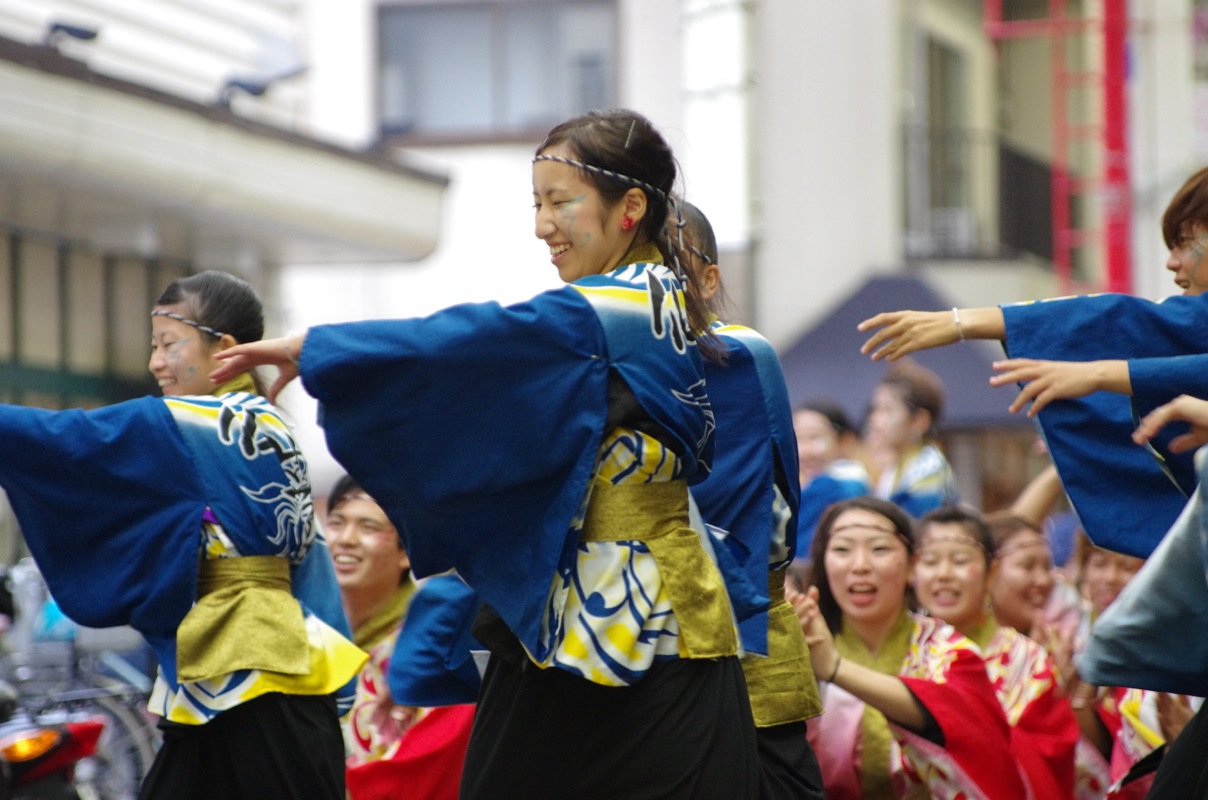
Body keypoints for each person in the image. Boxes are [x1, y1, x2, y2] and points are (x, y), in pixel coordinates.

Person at [210, 109, 760, 799]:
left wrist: (322, 349)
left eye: (561, 202)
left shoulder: (613, 309)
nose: (542, 226)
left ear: (632, 208)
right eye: (537, 203)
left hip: (626, 621)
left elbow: (478, 341)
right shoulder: (653, 303)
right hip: (634, 610)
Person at [0, 271, 365, 799]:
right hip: (260, 670)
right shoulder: (270, 425)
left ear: (227, 350)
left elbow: (70, 440)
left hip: (252, 678)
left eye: (170, 345)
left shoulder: (207, 424)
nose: (154, 363)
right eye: (154, 346)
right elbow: (310, 561)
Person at [857, 166, 1208, 557]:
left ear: (921, 419)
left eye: (1184, 242)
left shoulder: (923, 474)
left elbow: (1128, 322)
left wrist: (1096, 374)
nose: (1172, 262)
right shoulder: (879, 475)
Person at [678, 202, 825, 800]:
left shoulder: (738, 356)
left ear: (709, 279)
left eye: (668, 269)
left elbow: (749, 532)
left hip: (738, 632)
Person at [785, 496, 1025, 799]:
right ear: (824, 562)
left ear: (913, 565)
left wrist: (834, 668)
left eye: (880, 549)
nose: (860, 565)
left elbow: (973, 739)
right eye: (843, 549)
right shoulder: (800, 647)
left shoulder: (949, 651)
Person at [326, 474, 477, 800]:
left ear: (407, 551)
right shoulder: (312, 638)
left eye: (368, 527)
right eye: (336, 523)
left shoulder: (437, 649)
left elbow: (422, 776)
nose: (346, 539)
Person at [913, 505, 1080, 799]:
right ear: (911, 571)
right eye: (930, 561)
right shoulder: (906, 652)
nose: (944, 574)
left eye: (960, 560)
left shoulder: (1027, 659)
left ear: (991, 573)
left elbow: (1053, 753)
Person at [865, 360, 959, 518]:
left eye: (887, 410)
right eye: (875, 409)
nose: (874, 420)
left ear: (919, 421)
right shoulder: (895, 467)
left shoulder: (929, 472)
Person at [792, 400, 871, 562]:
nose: (804, 451)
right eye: (797, 439)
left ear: (845, 441)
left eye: (815, 437)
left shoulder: (838, 487)